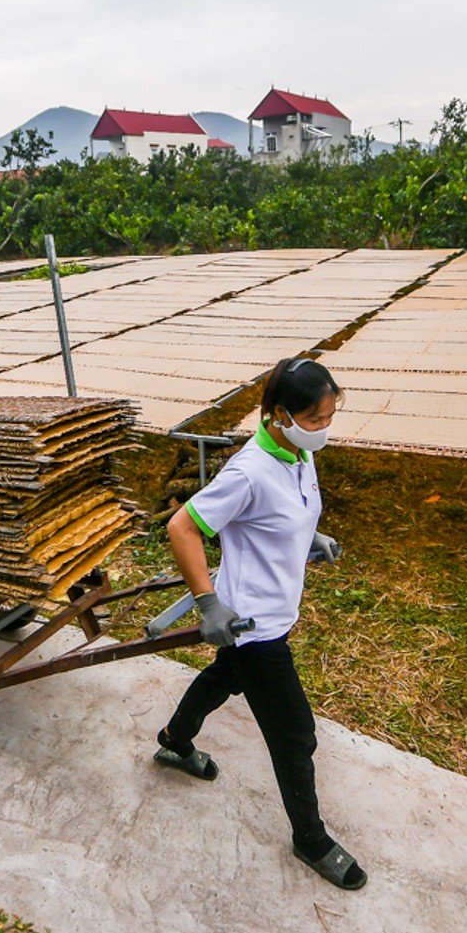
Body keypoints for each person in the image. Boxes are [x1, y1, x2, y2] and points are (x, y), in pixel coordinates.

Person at [152, 356, 366, 891]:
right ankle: (310, 840)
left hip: (273, 612)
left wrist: (308, 539)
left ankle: (175, 741)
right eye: (315, 419)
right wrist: (208, 605)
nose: (325, 428)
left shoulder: (297, 452)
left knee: (224, 677)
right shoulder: (249, 472)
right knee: (295, 734)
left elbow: (285, 515)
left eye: (329, 416)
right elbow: (183, 527)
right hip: (252, 624)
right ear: (277, 415)